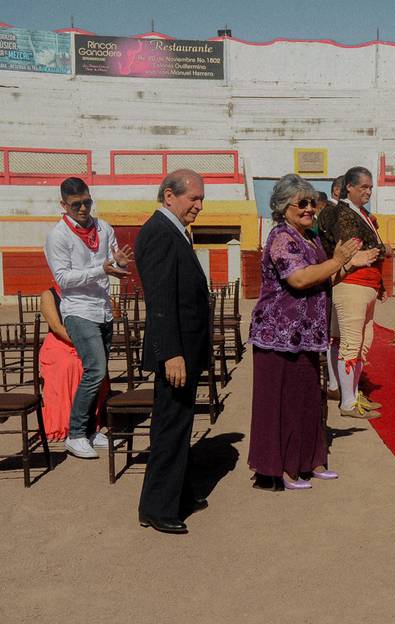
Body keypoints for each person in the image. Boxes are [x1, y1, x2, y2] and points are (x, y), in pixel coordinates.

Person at [248, 175, 377, 491]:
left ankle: (308, 460)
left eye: (312, 203)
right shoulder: (281, 237)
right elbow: (300, 279)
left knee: (307, 399)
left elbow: (325, 275)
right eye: (301, 203)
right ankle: (280, 468)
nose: (309, 209)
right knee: (281, 402)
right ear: (283, 207)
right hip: (278, 335)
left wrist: (348, 263)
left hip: (305, 334)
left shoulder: (309, 238)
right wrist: (339, 260)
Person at [137, 169, 211, 534]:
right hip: (176, 352)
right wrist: (171, 353)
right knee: (169, 426)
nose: (198, 206)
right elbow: (161, 301)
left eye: (201, 199)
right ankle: (157, 506)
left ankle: (178, 493)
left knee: (179, 424)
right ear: (169, 196)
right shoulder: (159, 233)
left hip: (184, 347)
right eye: (192, 198)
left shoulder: (171, 230)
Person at [43, 177, 132, 459]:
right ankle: (76, 433)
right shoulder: (58, 236)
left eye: (87, 202)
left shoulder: (103, 227)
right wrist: (101, 269)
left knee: (100, 372)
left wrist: (118, 263)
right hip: (78, 310)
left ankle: (92, 430)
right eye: (76, 204)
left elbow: (111, 262)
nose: (83, 208)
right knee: (94, 369)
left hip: (102, 308)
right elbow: (62, 279)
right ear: (63, 205)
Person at [326, 166, 389, 418]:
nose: (368, 191)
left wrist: (381, 283)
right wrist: (381, 251)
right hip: (352, 282)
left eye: (370, 187)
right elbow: (357, 248)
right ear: (348, 187)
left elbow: (375, 250)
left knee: (361, 342)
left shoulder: (360, 213)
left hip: (367, 284)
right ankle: (348, 402)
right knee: (351, 342)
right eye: (363, 187)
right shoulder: (342, 213)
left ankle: (349, 393)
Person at [37, 286, 109, 440]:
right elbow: (56, 327)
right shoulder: (48, 295)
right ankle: (66, 424)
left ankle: (89, 422)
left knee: (96, 365)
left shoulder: (86, 292)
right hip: (59, 343)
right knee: (69, 365)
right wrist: (82, 342)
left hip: (86, 341)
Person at [317, 176, 344, 401]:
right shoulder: (331, 214)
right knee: (333, 335)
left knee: (336, 335)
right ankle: (335, 382)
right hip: (332, 276)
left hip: (333, 275)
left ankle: (337, 381)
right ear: (337, 191)